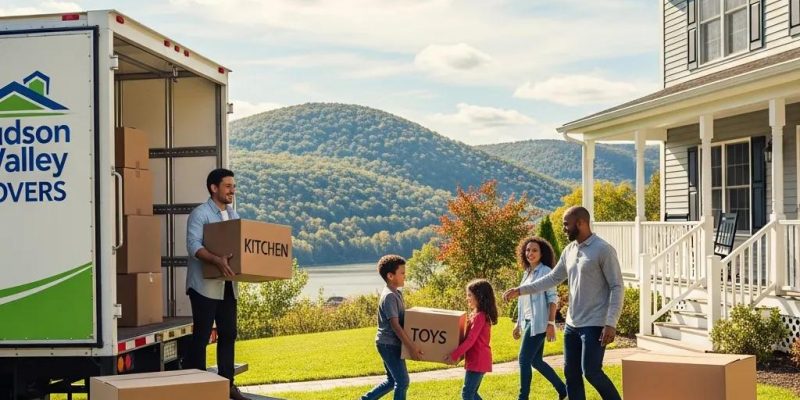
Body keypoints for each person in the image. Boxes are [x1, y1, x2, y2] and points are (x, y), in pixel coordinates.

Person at [503, 206, 623, 400]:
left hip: (595, 323)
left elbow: (617, 287)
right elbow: (551, 278)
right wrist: (520, 290)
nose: (564, 228)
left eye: (567, 224)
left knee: (591, 372)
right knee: (571, 373)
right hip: (572, 325)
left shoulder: (603, 250)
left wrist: (611, 322)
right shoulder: (569, 250)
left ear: (581, 223)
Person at [184, 168, 249, 400]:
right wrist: (216, 260)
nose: (233, 190)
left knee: (229, 333)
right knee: (201, 337)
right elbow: (193, 246)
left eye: (233, 186)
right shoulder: (200, 214)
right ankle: (200, 387)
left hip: (228, 286)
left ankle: (227, 385)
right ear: (214, 188)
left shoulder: (233, 215)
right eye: (228, 186)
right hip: (204, 286)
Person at [361, 255, 424, 400]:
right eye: (402, 273)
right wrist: (412, 347)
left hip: (389, 344)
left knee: (392, 381)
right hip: (388, 344)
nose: (405, 276)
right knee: (402, 381)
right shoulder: (389, 296)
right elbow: (395, 326)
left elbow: (403, 320)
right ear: (390, 276)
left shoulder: (397, 293)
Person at [514, 237, 567, 400]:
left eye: (534, 250)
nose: (530, 253)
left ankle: (523, 397)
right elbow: (523, 302)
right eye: (528, 250)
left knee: (523, 359)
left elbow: (553, 299)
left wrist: (550, 323)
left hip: (539, 322)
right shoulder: (527, 272)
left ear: (542, 253)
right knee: (535, 361)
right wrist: (518, 324)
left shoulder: (545, 272)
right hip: (528, 321)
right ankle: (563, 389)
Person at [448, 279, 498, 400]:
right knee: (472, 393)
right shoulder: (476, 314)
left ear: (479, 296)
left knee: (467, 393)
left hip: (478, 360)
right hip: (477, 360)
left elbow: (471, 340)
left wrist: (455, 354)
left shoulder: (480, 316)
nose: (467, 298)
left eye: (469, 295)